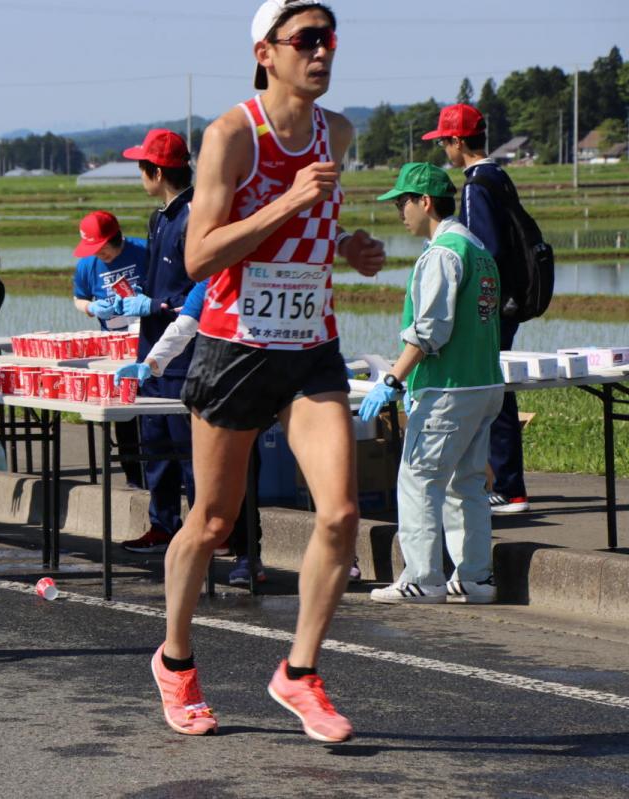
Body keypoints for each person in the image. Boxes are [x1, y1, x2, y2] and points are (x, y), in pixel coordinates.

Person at [151, 0, 386, 743]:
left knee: (342, 513)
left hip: (310, 343)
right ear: (266, 51)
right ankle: (176, 657)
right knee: (214, 522)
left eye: (330, 40)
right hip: (235, 345)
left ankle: (299, 672)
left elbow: (314, 223)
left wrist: (346, 244)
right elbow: (199, 256)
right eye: (306, 40)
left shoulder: (336, 132)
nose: (322, 52)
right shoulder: (230, 136)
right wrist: (291, 201)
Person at [362, 163, 503, 604]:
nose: (399, 211)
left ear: (425, 202)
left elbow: (429, 330)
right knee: (468, 484)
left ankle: (422, 578)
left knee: (420, 480)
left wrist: (391, 378)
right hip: (483, 384)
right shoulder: (478, 249)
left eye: (403, 202)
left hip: (446, 388)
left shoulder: (442, 253)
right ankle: (475, 577)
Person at [115, 281, 267, 587]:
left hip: (268, 382)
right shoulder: (212, 281)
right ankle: (179, 622)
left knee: (250, 474)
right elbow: (183, 326)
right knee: (213, 503)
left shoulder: (275, 272)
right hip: (223, 391)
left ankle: (249, 556)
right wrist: (152, 362)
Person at [421, 104, 529, 515]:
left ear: (457, 142)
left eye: (445, 142)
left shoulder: (476, 186)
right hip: (508, 303)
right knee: (493, 387)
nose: (444, 150)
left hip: (492, 307)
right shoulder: (498, 176)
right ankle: (504, 481)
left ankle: (507, 485)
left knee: (490, 389)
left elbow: (484, 250)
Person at [114, 128, 197, 555]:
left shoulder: (195, 216)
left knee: (189, 449)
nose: (138, 175)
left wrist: (158, 306)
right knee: (156, 443)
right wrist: (131, 301)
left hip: (183, 352)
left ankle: (204, 533)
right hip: (150, 350)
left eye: (141, 167)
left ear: (158, 171)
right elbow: (155, 282)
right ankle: (162, 524)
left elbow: (202, 291)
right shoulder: (160, 216)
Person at [71, 209, 147, 490]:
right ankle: (133, 477)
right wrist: (91, 307)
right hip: (115, 350)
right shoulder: (87, 265)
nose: (98, 255)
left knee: (153, 412)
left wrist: (146, 300)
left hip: (148, 343)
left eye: (102, 249)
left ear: (116, 239)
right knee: (124, 414)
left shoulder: (144, 250)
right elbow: (79, 298)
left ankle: (162, 473)